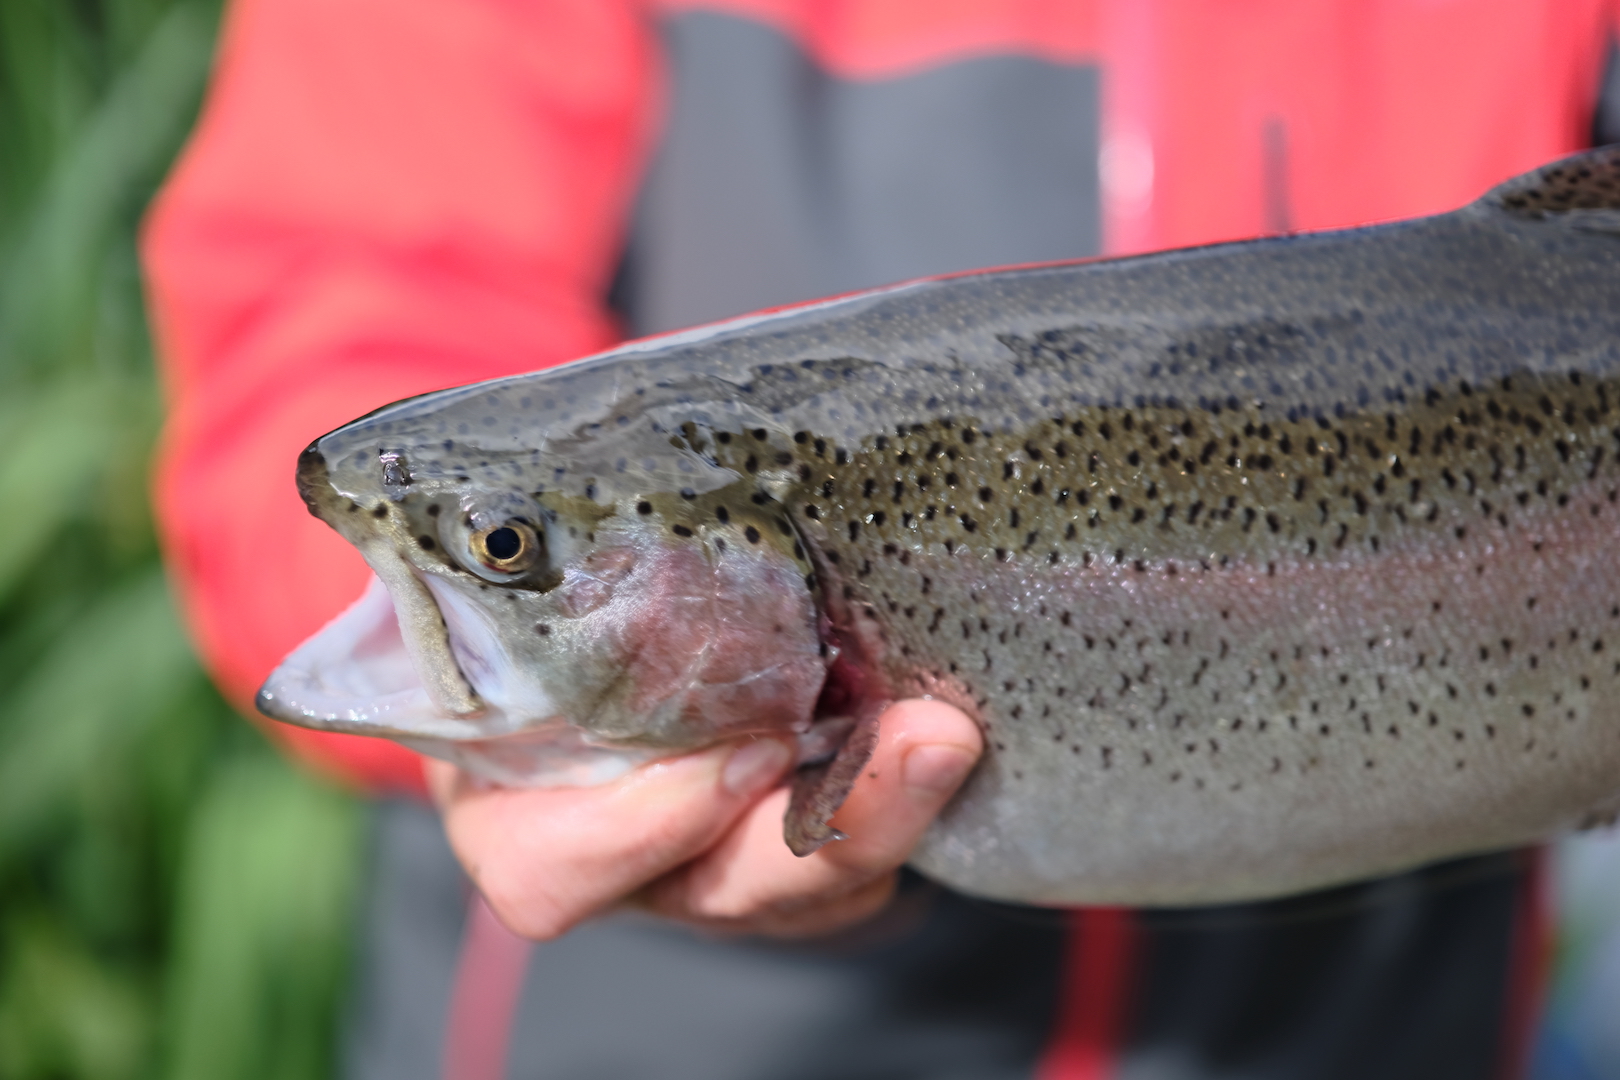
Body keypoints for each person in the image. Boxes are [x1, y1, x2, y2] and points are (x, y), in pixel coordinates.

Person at [144, 1, 1620, 1077]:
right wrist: (495, 729)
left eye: (511, 549)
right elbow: (326, 309)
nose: (500, 564)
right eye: (515, 549)